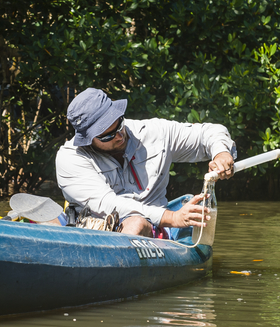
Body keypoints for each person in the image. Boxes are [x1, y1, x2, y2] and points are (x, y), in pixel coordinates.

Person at [55, 87, 236, 238]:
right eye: (108, 135)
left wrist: (221, 153)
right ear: (87, 139)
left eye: (119, 125)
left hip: (156, 228)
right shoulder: (70, 159)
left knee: (138, 224)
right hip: (95, 227)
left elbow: (209, 133)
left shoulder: (154, 132)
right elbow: (108, 204)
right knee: (136, 223)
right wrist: (171, 217)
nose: (119, 136)